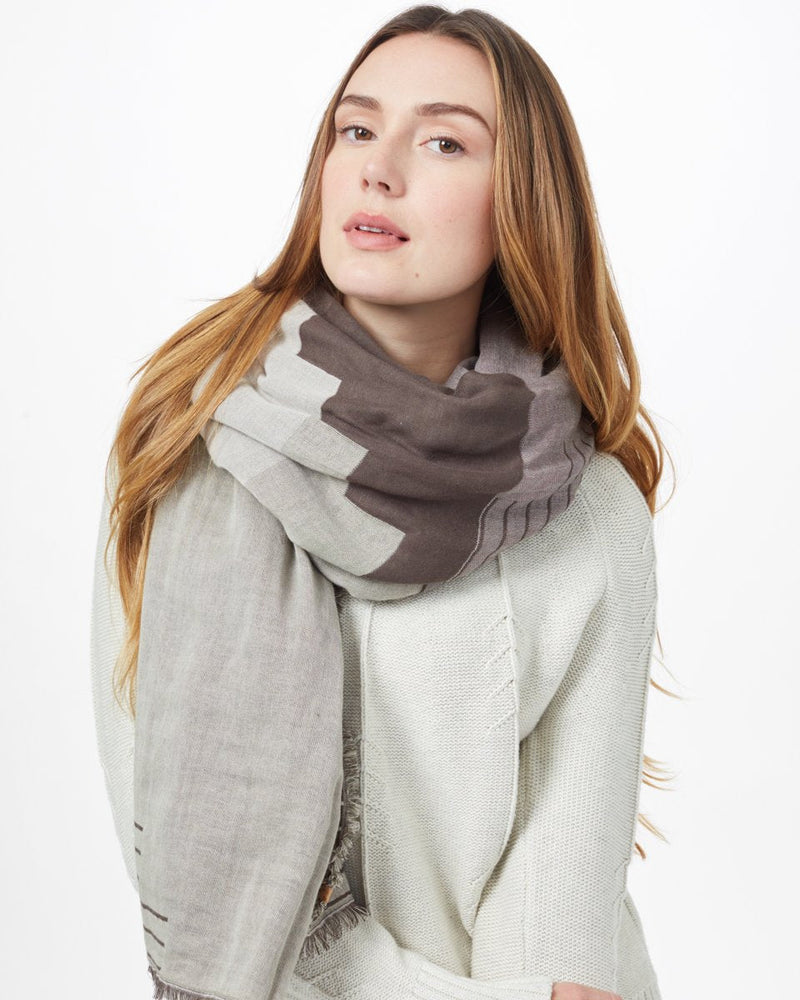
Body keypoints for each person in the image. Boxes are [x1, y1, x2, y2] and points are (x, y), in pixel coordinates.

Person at [89, 6, 673, 1000]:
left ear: (522, 202)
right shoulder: (188, 442)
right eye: (356, 129)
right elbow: (167, 825)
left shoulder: (590, 504)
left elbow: (562, 914)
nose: (378, 169)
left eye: (443, 142)